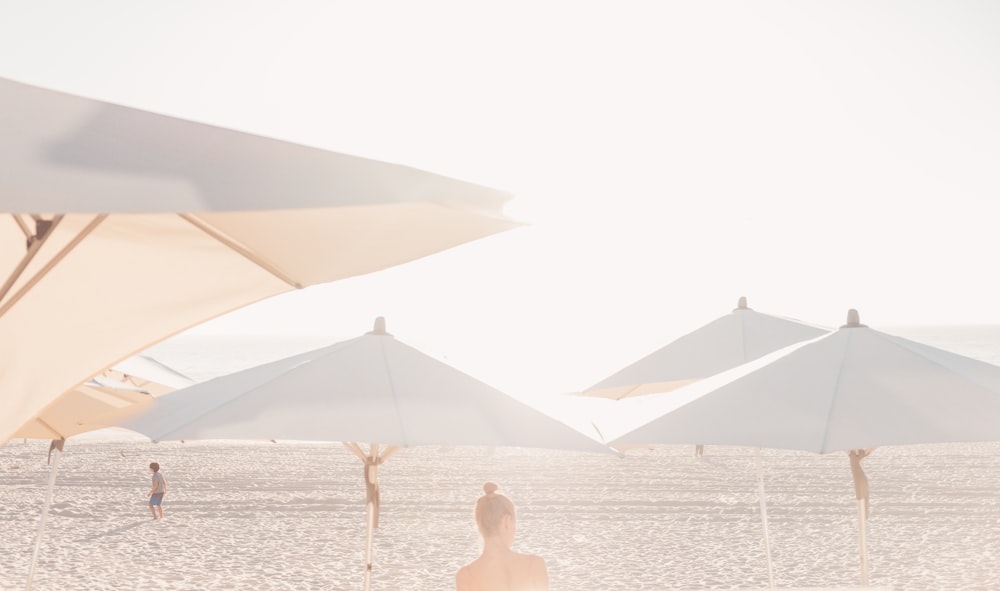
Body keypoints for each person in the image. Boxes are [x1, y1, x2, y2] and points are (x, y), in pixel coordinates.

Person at [455, 482, 548, 591]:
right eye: (514, 523)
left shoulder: (466, 576)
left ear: (480, 526)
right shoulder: (534, 565)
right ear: (507, 521)